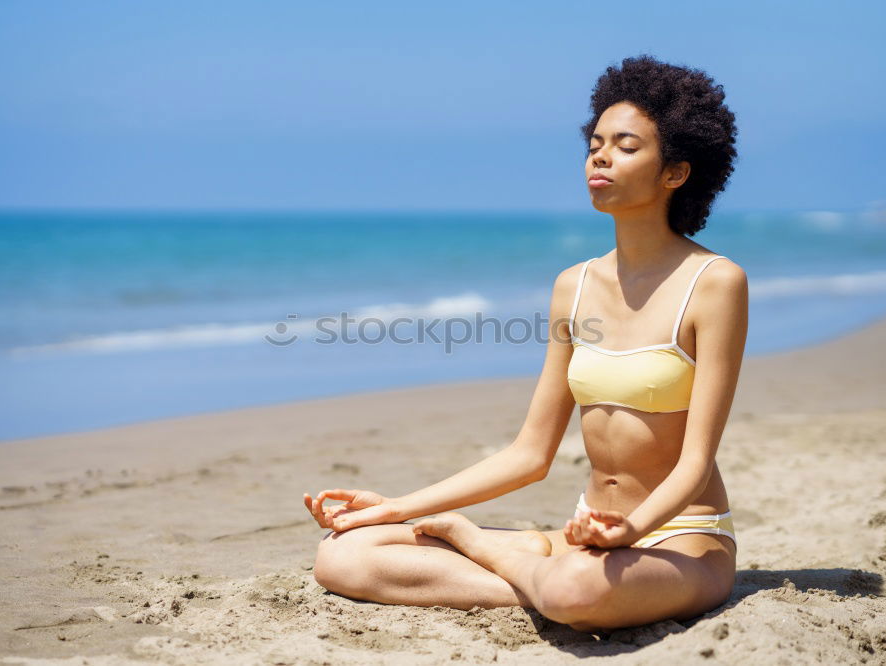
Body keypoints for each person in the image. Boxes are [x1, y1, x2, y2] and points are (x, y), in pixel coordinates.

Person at [303, 53, 747, 633]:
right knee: (344, 556)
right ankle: (534, 575)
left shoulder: (714, 284)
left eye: (626, 145)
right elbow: (530, 455)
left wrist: (632, 531)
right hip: (583, 534)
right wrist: (397, 507)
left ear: (675, 173)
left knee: (577, 589)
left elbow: (694, 462)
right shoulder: (574, 286)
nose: (600, 155)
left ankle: (499, 556)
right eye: (594, 142)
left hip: (680, 541)